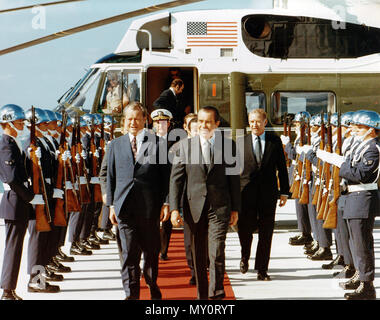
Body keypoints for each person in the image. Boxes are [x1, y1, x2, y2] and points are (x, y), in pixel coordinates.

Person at [169, 106, 240, 300]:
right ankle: (202, 295)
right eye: (200, 121)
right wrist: (174, 209)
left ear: (217, 124)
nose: (203, 125)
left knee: (216, 250)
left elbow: (234, 180)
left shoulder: (228, 146)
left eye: (208, 122)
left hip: (220, 207)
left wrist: (235, 208)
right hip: (193, 208)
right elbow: (176, 180)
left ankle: (216, 292)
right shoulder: (184, 147)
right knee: (198, 254)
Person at [106, 102, 170, 300]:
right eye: (129, 119)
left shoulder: (158, 144)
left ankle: (151, 283)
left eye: (137, 118)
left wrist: (166, 203)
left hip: (150, 208)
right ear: (125, 121)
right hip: (124, 208)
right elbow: (109, 177)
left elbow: (166, 177)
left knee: (151, 252)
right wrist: (110, 205)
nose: (133, 122)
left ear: (145, 120)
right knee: (128, 254)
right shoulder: (115, 145)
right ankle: (131, 294)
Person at [318, 110, 380, 300]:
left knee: (362, 245)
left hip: (363, 198)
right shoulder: (361, 146)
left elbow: (361, 175)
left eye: (358, 127)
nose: (353, 129)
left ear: (371, 130)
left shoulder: (373, 149)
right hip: (354, 198)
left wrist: (339, 163)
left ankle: (367, 285)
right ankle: (360, 276)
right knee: (354, 243)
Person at [237, 109, 289, 280]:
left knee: (266, 232)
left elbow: (282, 168)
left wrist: (284, 193)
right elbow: (232, 172)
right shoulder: (240, 142)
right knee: (245, 230)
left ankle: (262, 269)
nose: (254, 125)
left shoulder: (274, 142)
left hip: (268, 194)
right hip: (246, 194)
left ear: (265, 122)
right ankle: (245, 256)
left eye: (258, 121)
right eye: (251, 121)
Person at [0, 104, 42, 300]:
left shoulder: (12, 142)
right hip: (15, 201)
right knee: (13, 248)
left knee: (16, 247)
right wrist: (30, 196)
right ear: (8, 123)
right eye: (18, 123)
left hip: (19, 201)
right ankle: (7, 291)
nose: (22, 126)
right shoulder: (6, 144)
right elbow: (11, 178)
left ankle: (9, 288)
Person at [282, 111, 314, 246]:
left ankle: (306, 233)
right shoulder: (300, 137)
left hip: (303, 174)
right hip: (297, 174)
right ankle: (304, 232)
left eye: (297, 124)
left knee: (303, 206)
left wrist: (287, 145)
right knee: (299, 205)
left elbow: (295, 155)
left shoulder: (305, 138)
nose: (295, 126)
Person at [150, 108, 175, 261]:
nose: (160, 125)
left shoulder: (175, 143)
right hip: (152, 187)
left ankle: (163, 250)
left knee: (166, 222)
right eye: (157, 122)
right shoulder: (147, 141)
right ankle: (153, 248)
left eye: (163, 122)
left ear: (169, 124)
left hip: (169, 184)